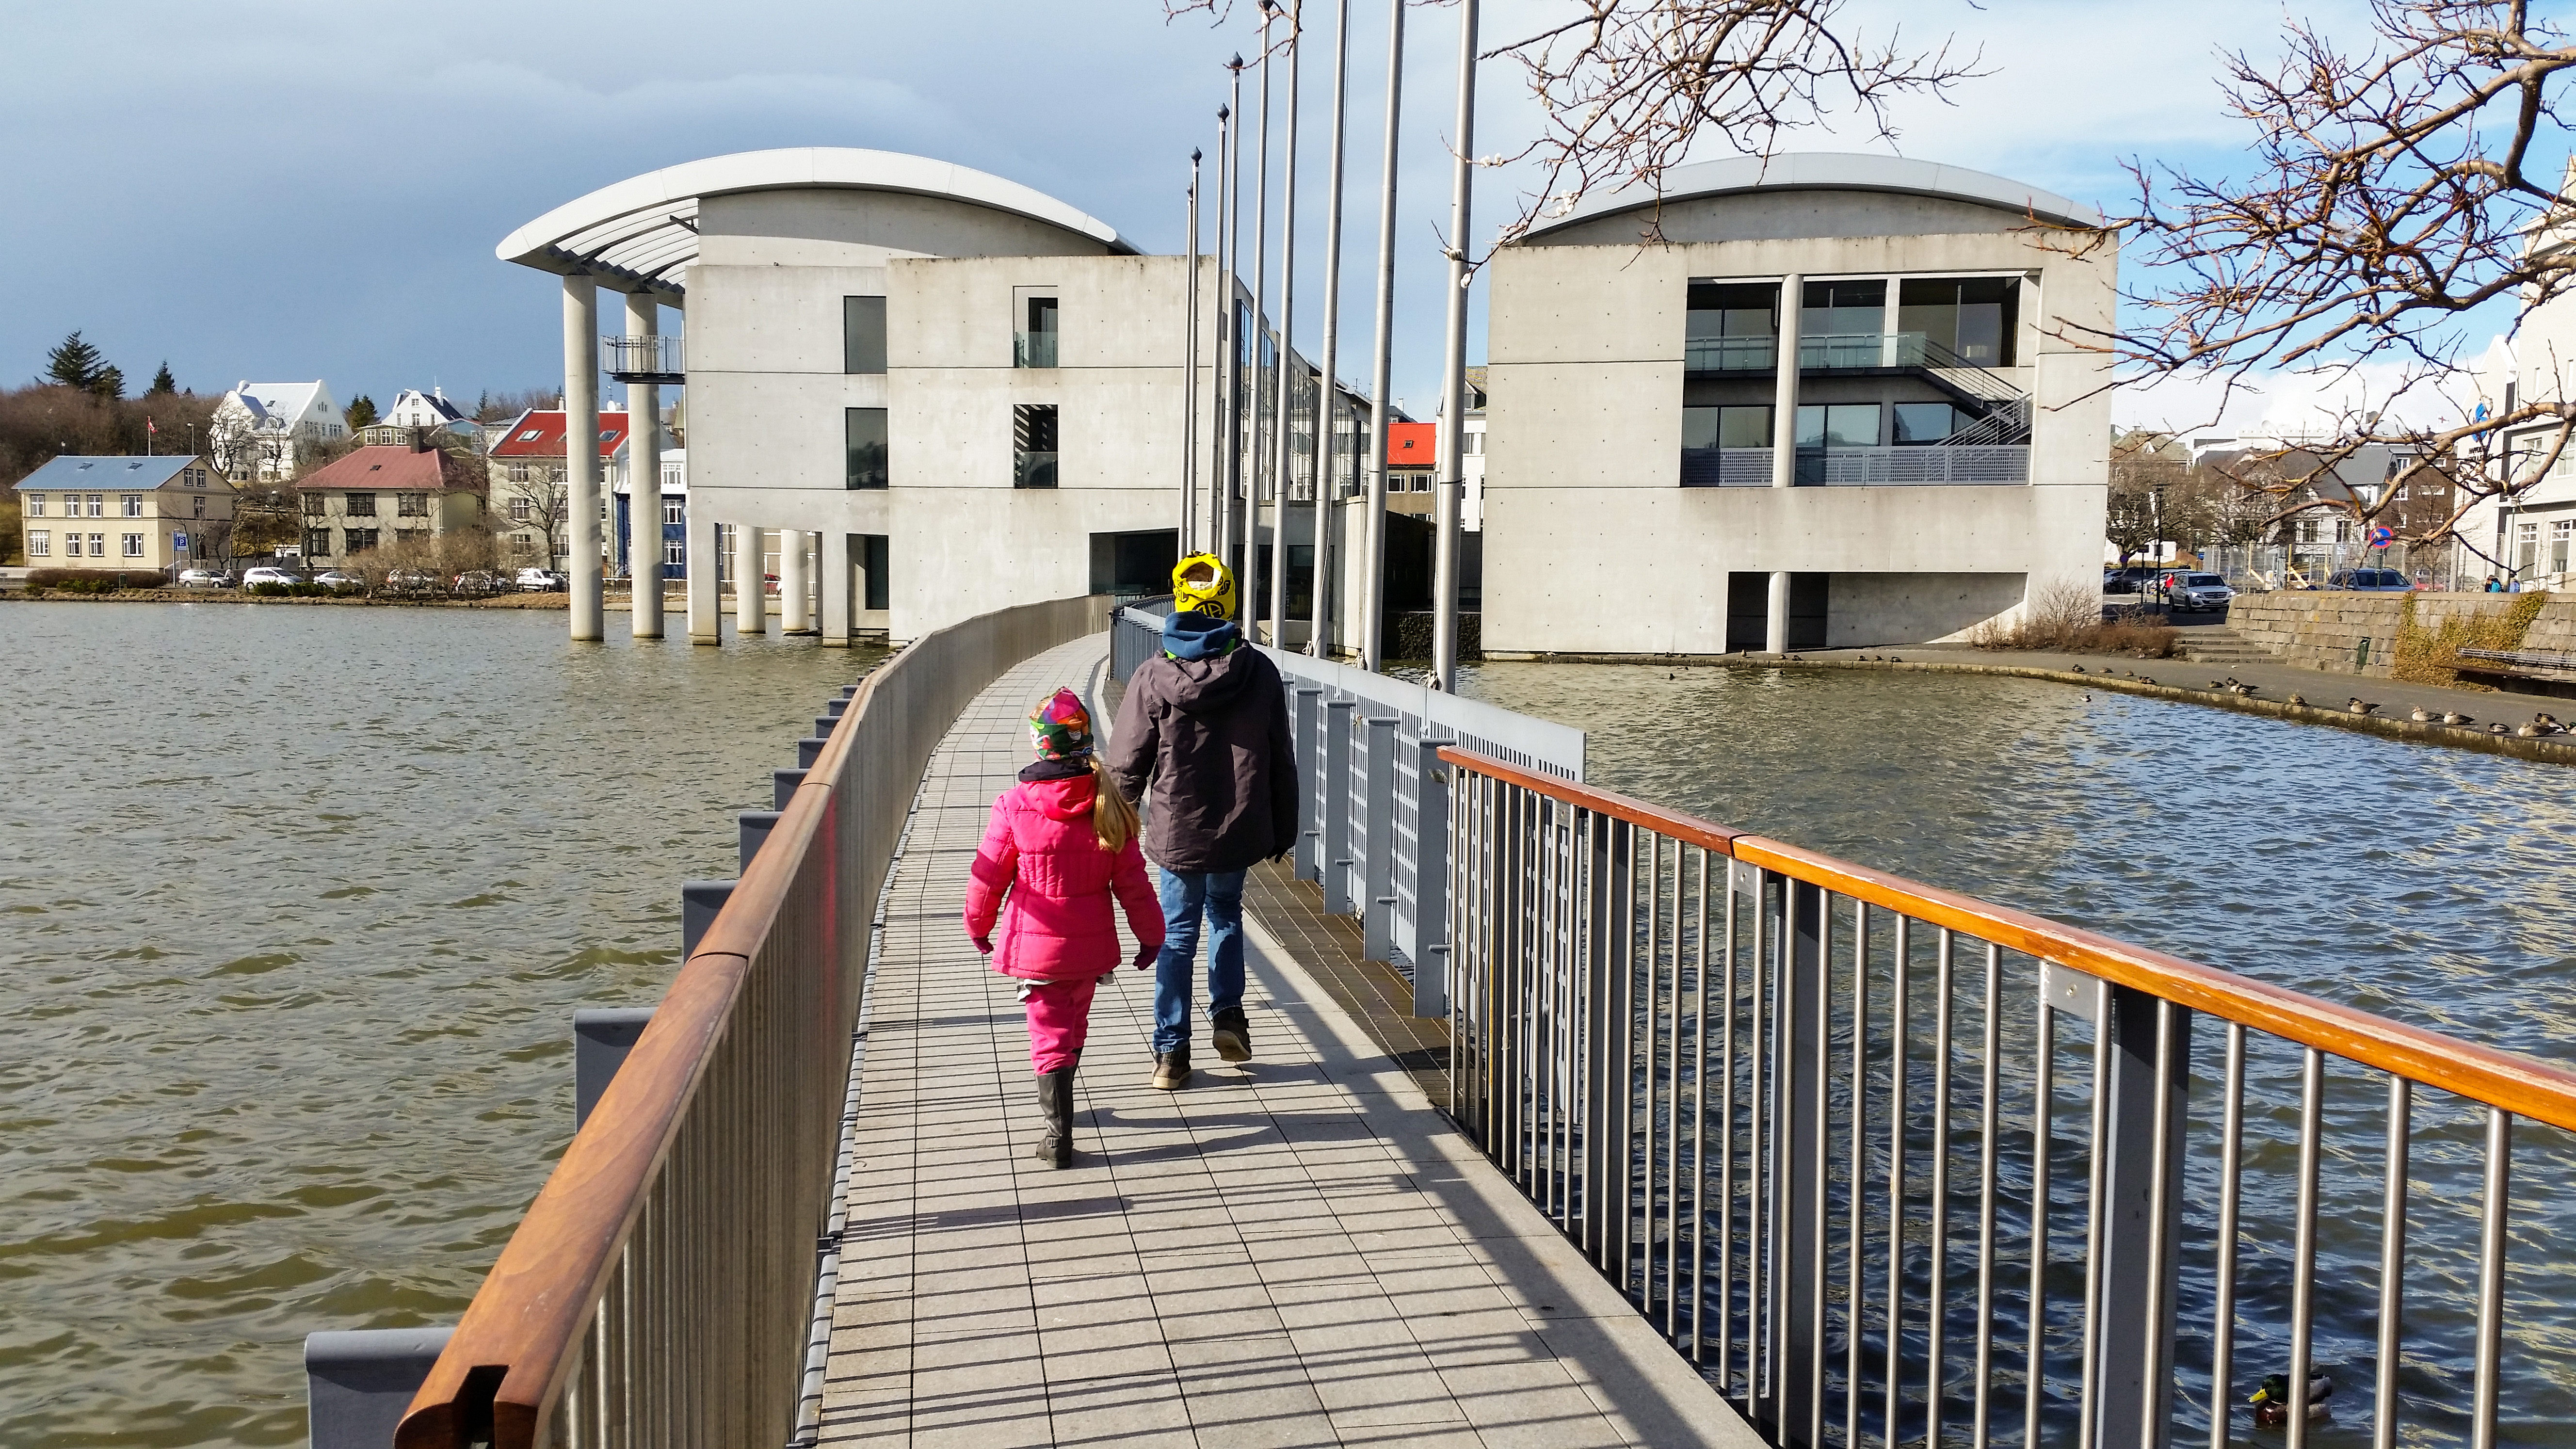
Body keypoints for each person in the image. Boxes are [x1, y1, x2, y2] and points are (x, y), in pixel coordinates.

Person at [1108, 554, 1298, 1091]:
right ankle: (1229, 1018)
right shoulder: (1258, 670)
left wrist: (1112, 828)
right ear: (1230, 601)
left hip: (1177, 828)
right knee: (1225, 915)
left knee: (1176, 934)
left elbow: (1126, 762)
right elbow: (1279, 755)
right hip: (1239, 825)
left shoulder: (1153, 674)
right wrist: (1284, 826)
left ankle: (1171, 1054)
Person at [964, 688, 1163, 1168]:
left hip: (1036, 946)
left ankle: (1057, 1138)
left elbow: (989, 875)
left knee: (1046, 1034)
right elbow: (1133, 884)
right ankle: (1065, 1100)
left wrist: (978, 925)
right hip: (1088, 946)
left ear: (1040, 746)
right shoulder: (1108, 803)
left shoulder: (1013, 804)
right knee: (1073, 1022)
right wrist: (1150, 936)